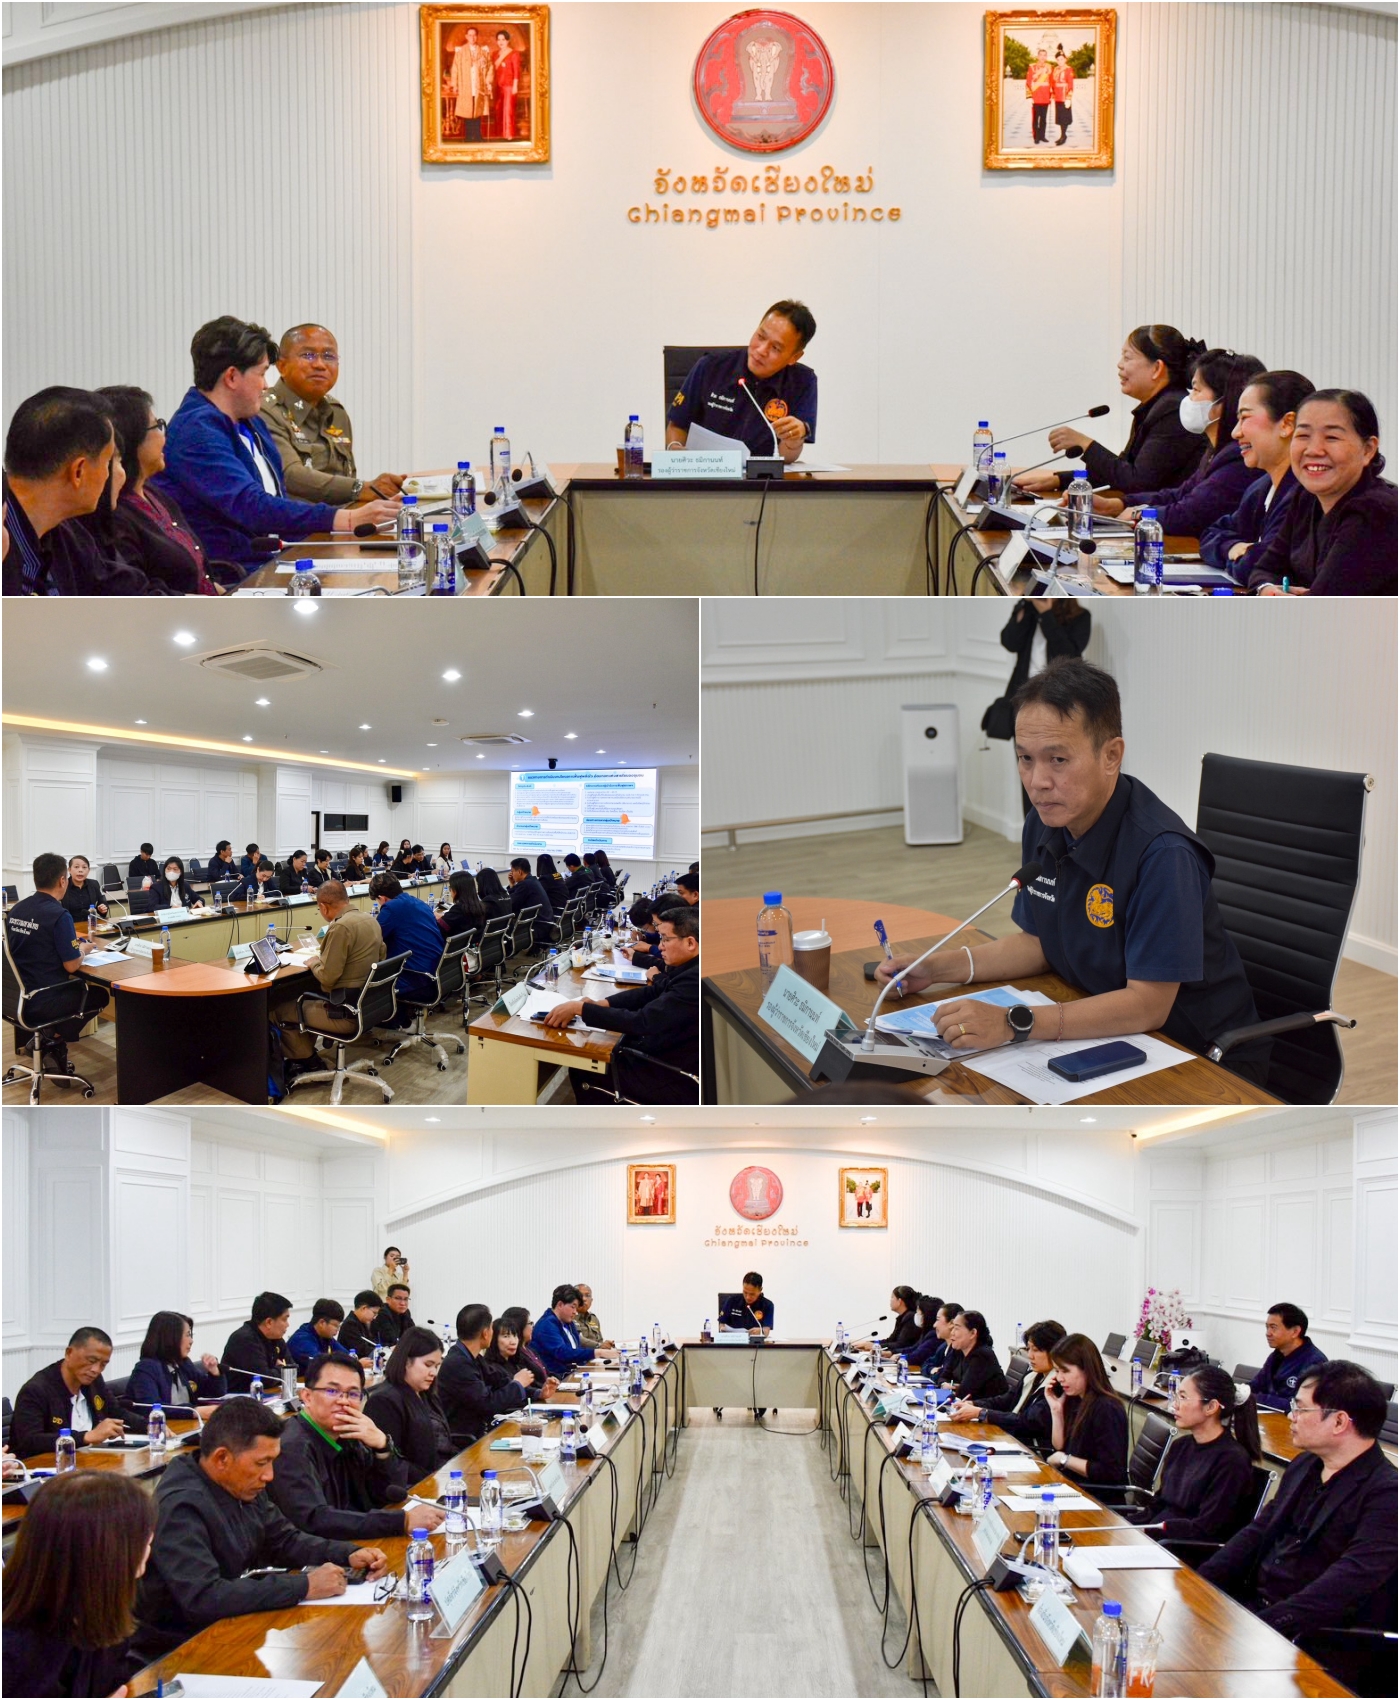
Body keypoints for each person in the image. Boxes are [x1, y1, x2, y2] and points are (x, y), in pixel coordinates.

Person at [880, 660, 1266, 1083]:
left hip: (1199, 1059)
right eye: (1025, 759)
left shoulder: (1163, 855)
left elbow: (1148, 1005)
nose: (1037, 781)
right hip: (1104, 1024)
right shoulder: (1046, 821)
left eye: (1058, 759)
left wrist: (1013, 1022)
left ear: (1111, 756)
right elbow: (1040, 943)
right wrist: (935, 969)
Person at [133, 1399, 389, 1661]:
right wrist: (304, 1586)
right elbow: (204, 1597)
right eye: (261, 1463)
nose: (269, 1475)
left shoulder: (240, 1484)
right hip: (175, 1651)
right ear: (222, 1458)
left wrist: (347, 1553)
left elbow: (284, 1540)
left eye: (273, 1462)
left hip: (230, 1628)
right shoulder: (179, 1506)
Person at [154, 316, 399, 577]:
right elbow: (252, 506)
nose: (266, 385)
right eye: (261, 373)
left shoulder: (251, 422)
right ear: (232, 377)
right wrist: (345, 519)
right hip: (234, 575)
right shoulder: (197, 431)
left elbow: (277, 500)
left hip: (273, 560)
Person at [1199, 1361, 1396, 1683]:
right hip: (1257, 1608)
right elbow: (1258, 1531)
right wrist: (1201, 1581)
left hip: (1317, 1638)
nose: (1291, 1416)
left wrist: (1263, 1625)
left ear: (1339, 1422)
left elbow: (1345, 1584)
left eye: (1301, 1409)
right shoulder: (1305, 1464)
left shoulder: (1387, 1494)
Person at [1, 1471, 155, 1699]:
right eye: (142, 1539)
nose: (149, 1546)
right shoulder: (14, 1655)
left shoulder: (99, 1609)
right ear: (105, 1553)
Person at [1014, 326, 1207, 498]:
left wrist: (1086, 445)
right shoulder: (1156, 405)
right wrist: (1059, 480)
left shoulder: (1173, 410)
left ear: (1157, 368)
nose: (1119, 364)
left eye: (1127, 357)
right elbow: (1120, 472)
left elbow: (1136, 482)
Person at [4, 386, 159, 596]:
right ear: (78, 471)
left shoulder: (66, 534)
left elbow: (124, 590)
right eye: (108, 462)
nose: (110, 476)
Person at [267, 1354, 441, 1541]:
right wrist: (401, 1521)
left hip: (353, 1543)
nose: (343, 1401)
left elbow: (388, 1493)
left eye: (352, 1394)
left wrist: (382, 1446)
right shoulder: (290, 1447)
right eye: (332, 1391)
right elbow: (314, 1520)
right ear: (307, 1397)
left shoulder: (350, 1435)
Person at [1094, 349, 1265, 537]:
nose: (1188, 399)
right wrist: (1118, 504)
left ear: (1224, 402)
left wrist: (1140, 514)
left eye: (1196, 390)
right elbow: (1180, 494)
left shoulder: (1238, 456)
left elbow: (1190, 514)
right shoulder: (1215, 451)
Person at [1248, 389, 1397, 595]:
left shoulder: (1377, 512)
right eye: (1303, 435)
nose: (1313, 450)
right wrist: (1267, 589)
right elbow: (1265, 569)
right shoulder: (1306, 497)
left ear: (1368, 449)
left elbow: (1326, 602)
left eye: (1332, 437)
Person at [545, 907, 700, 1102]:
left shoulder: (694, 980)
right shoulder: (689, 968)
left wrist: (581, 1009)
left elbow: (642, 1022)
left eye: (665, 939)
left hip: (670, 1076)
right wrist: (602, 1003)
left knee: (584, 1068)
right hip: (667, 1052)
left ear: (690, 943)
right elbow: (652, 992)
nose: (660, 946)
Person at [259, 323, 403, 507]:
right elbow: (289, 475)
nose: (320, 365)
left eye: (328, 356)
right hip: (296, 521)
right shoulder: (265, 410)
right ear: (282, 366)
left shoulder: (336, 412)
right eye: (308, 355)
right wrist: (361, 488)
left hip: (343, 518)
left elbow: (348, 477)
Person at [97, 384, 218, 593]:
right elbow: (140, 593)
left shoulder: (153, 493)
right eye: (157, 426)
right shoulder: (117, 515)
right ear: (131, 440)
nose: (164, 437)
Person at [667, 300, 818, 464]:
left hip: (761, 477)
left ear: (794, 357)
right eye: (760, 336)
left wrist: (793, 441)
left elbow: (786, 458)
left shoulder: (803, 382)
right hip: (705, 472)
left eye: (775, 348)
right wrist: (675, 449)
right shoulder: (711, 366)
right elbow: (677, 425)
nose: (761, 350)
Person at [1124, 1366, 1262, 1544]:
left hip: (1183, 1549)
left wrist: (1148, 1532)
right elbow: (1159, 1505)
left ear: (1211, 1407)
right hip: (1156, 1539)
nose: (1175, 1405)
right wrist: (1123, 1524)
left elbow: (1206, 1528)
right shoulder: (1180, 1446)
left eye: (1183, 1397)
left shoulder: (1232, 1461)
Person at [1200, 370, 1313, 581]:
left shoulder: (1304, 493)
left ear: (1287, 424)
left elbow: (1256, 565)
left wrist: (1245, 554)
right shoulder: (1261, 487)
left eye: (1245, 417)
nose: (1235, 432)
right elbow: (1210, 534)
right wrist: (1232, 547)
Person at [4, 852, 111, 1072]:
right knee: (99, 994)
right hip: (44, 997)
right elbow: (71, 965)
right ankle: (52, 1040)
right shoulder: (59, 915)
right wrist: (83, 950)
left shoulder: (17, 909)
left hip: (14, 996)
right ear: (63, 880)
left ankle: (44, 1038)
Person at [270, 880, 385, 1074]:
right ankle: (307, 1056)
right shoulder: (370, 919)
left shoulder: (340, 927)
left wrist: (315, 962)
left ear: (323, 907)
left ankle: (307, 1060)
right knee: (301, 999)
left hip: (344, 1011)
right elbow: (382, 957)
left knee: (277, 1010)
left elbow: (327, 978)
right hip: (369, 1004)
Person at [997, 598, 1092, 812]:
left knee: (1057, 773)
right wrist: (1023, 608)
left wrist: (1047, 614)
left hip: (1059, 705)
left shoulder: (1080, 617)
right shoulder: (1028, 613)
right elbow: (1009, 641)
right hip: (1023, 703)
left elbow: (1070, 655)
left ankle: (1059, 825)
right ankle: (1032, 828)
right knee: (1030, 775)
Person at [10, 1326, 145, 1457]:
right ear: (69, 1353)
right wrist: (86, 1437)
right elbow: (30, 1441)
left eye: (103, 1364)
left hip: (88, 1460)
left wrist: (149, 1425)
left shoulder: (94, 1381)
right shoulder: (36, 1390)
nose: (96, 1369)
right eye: (91, 1361)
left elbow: (116, 1411)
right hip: (48, 1465)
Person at [948, 1318, 1066, 1449]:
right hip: (1010, 1439)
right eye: (1028, 1349)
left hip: (1030, 1448)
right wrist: (973, 1404)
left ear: (1054, 1351)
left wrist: (981, 1413)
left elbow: (1026, 1422)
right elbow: (1005, 1400)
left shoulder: (1056, 1386)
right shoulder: (1032, 1376)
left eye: (1036, 1350)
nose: (1030, 1355)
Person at [364, 1326, 457, 1485]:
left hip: (440, 1475)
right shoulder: (384, 1401)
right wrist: (434, 1478)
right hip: (414, 1486)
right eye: (428, 1365)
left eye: (436, 1366)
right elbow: (391, 1463)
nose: (434, 1373)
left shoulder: (426, 1394)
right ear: (406, 1362)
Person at [437, 1302, 535, 1446]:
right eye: (491, 1328)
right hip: (464, 1441)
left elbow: (500, 1381)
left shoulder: (473, 1357)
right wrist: (518, 1384)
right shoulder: (458, 1363)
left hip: (480, 1433)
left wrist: (538, 1393)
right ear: (485, 1333)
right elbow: (488, 1404)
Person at [1042, 1332, 1130, 1486]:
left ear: (1086, 1369)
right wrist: (1056, 1410)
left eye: (1065, 1371)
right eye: (1057, 1371)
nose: (1060, 1378)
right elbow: (1060, 1446)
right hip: (1072, 1484)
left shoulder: (1107, 1409)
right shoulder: (1075, 1398)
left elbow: (1111, 1472)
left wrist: (1065, 1460)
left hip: (1096, 1494)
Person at [369, 873, 446, 1016]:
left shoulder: (391, 908)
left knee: (365, 979)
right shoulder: (419, 903)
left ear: (382, 898)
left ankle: (392, 1019)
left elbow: (371, 941)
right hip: (437, 973)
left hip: (416, 979)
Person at [128, 1310, 226, 1415]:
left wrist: (215, 1373)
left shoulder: (183, 1364)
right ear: (170, 1338)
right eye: (187, 1335)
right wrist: (194, 1411)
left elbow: (214, 1393)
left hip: (188, 1424)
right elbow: (151, 1408)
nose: (191, 1341)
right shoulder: (145, 1369)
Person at [1250, 1302, 1330, 1411]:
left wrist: (1255, 1398)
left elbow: (1299, 1405)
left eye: (1273, 1327)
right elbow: (1255, 1385)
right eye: (1267, 1327)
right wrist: (1239, 1391)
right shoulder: (1276, 1356)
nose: (1268, 1333)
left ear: (1295, 1331)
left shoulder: (1315, 1362)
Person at [219, 1290, 294, 1387]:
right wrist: (281, 1368)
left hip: (268, 1393)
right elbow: (265, 1379)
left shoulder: (275, 1337)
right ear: (269, 1322)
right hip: (240, 1395)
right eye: (284, 1319)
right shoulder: (244, 1340)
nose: (288, 1324)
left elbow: (293, 1368)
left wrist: (279, 1370)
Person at [533, 1284, 605, 1379]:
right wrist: (597, 1352)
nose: (575, 1312)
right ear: (560, 1305)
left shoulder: (568, 1323)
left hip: (572, 1374)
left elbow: (576, 1350)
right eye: (573, 1307)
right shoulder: (547, 1324)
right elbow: (563, 1353)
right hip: (556, 1378)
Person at [936, 1311, 1009, 1403]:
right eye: (953, 1327)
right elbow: (943, 1376)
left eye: (957, 1328)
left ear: (973, 1333)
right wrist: (943, 1384)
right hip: (967, 1405)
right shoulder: (958, 1349)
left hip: (988, 1408)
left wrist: (955, 1388)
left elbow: (964, 1393)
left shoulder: (983, 1355)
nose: (952, 1333)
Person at [494, 1308, 559, 1394]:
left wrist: (550, 1384)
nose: (513, 1341)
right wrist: (539, 1392)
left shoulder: (529, 1350)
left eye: (515, 1336)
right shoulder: (499, 1364)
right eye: (506, 1336)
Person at [448, 23, 493, 141]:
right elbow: (455, 68)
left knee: (477, 110)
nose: (472, 37)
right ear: (466, 36)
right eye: (470, 35)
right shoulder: (460, 51)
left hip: (479, 85)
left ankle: (477, 136)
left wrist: (488, 82)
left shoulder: (483, 51)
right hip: (465, 85)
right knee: (467, 110)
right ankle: (468, 136)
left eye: (474, 35)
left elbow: (490, 67)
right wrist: (455, 84)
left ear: (477, 36)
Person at [286, 1299, 355, 1375]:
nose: (338, 1329)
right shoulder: (301, 1340)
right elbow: (321, 1365)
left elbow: (347, 1356)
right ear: (322, 1323)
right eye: (335, 1325)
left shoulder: (325, 1336)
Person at [853, 1286, 922, 1355]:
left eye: (892, 1297)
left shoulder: (910, 1317)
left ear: (899, 1301)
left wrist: (875, 1346)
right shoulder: (902, 1317)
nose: (890, 1300)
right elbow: (890, 1340)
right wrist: (867, 1343)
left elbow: (901, 1344)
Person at [507, 856, 555, 943]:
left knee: (505, 927)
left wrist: (511, 886)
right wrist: (512, 885)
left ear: (520, 872)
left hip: (537, 927)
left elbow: (511, 904)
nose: (512, 874)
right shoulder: (533, 881)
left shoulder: (525, 884)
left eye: (512, 871)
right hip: (545, 924)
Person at [438, 869, 487, 942]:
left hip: (455, 947)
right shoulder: (479, 906)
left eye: (450, 887)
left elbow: (440, 928)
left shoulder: (458, 909)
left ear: (456, 890)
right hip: (472, 945)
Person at [907, 1297, 953, 1374]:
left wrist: (934, 1372)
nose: (935, 1325)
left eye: (938, 1319)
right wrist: (931, 1370)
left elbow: (943, 1375)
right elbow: (925, 1365)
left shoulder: (935, 1336)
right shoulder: (943, 1346)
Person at [57, 855, 107, 925]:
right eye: (76, 867)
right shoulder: (63, 885)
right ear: (69, 870)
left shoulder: (94, 884)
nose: (80, 870)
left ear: (88, 870)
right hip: (70, 925)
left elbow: (102, 902)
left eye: (84, 867)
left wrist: (102, 909)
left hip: (91, 924)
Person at [491, 27, 522, 139]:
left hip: (509, 85)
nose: (501, 42)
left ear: (508, 41)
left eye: (503, 39)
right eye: (499, 40)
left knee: (508, 110)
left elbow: (516, 71)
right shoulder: (495, 54)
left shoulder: (514, 53)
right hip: (498, 85)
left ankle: (509, 134)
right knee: (498, 109)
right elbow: (492, 70)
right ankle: (499, 133)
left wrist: (515, 86)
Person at [338, 1291, 383, 1365]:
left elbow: (372, 1344)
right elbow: (362, 1350)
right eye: (374, 1313)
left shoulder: (363, 1322)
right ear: (364, 1308)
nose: (375, 1317)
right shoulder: (350, 1324)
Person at [1024, 46, 1054, 144]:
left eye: (1044, 55)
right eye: (1041, 55)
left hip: (1045, 97)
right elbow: (1028, 82)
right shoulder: (1032, 67)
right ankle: (1036, 137)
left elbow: (1052, 82)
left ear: (1046, 57)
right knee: (1035, 118)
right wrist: (1029, 96)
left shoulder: (1049, 67)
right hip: (1036, 96)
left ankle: (1042, 136)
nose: (1042, 57)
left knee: (1044, 118)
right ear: (1037, 56)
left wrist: (1052, 95)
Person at [373, 1283, 416, 1349]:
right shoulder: (382, 1313)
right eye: (398, 1298)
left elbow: (414, 1334)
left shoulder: (406, 1312)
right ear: (388, 1300)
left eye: (406, 1299)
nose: (402, 1303)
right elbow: (391, 1340)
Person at [575, 1283, 614, 1349]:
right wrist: (599, 1345)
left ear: (591, 1300)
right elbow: (577, 1339)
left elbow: (600, 1340)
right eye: (580, 1295)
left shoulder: (593, 1318)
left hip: (596, 1354)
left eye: (587, 1295)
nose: (584, 1299)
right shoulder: (569, 1317)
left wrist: (606, 1345)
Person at [1051, 47, 1075, 144]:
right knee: (1060, 117)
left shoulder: (1069, 69)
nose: (1060, 61)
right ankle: (1062, 135)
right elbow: (1053, 83)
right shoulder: (1055, 69)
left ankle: (1063, 136)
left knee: (1065, 117)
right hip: (1057, 96)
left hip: (1065, 96)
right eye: (1058, 59)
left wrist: (1069, 98)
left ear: (1065, 59)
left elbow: (1071, 84)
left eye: (1061, 59)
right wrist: (1052, 93)